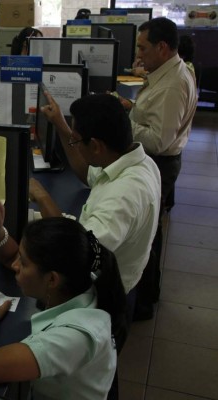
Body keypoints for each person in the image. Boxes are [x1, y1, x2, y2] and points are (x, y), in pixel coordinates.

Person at [0, 93, 160, 335]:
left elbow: (76, 255)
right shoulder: (136, 161)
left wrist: (41, 199)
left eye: (77, 141)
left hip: (100, 303)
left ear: (96, 145)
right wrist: (62, 126)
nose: (73, 144)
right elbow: (87, 172)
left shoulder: (122, 196)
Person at [0, 217, 126, 399]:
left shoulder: (74, 337)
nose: (15, 265)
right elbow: (16, 259)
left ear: (52, 279)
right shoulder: (80, 281)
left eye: (23, 262)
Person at [130, 17, 197, 320]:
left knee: (147, 233)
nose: (139, 54)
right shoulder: (165, 72)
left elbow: (158, 140)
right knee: (150, 230)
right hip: (162, 160)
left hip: (160, 162)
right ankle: (148, 293)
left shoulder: (172, 84)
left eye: (143, 48)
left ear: (163, 47)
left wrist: (126, 123)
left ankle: (144, 301)